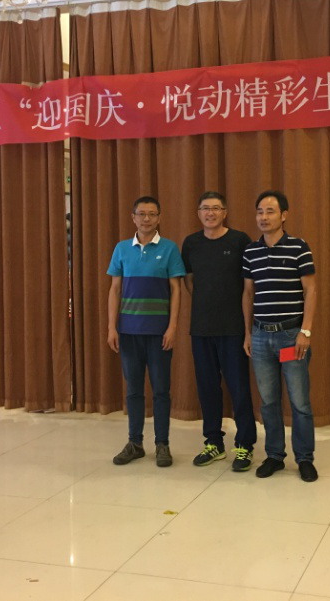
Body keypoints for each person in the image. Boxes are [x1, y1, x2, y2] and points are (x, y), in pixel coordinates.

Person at [242, 190, 319, 482]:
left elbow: (311, 290)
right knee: (268, 402)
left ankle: (305, 458)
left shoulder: (299, 247)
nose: (264, 217)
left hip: (290, 337)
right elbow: (248, 294)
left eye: (270, 211)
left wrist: (305, 331)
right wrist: (248, 333)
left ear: (284, 215)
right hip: (261, 338)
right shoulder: (250, 251)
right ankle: (274, 455)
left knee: (299, 401)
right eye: (260, 211)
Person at [107, 196, 185, 467]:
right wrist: (112, 327)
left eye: (152, 214)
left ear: (159, 218)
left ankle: (162, 444)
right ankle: (135, 442)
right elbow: (115, 289)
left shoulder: (170, 248)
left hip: (159, 332)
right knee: (134, 390)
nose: (146, 219)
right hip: (129, 332)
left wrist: (172, 326)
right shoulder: (121, 249)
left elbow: (176, 290)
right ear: (133, 218)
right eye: (141, 214)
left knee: (161, 390)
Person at [181, 192, 257, 471]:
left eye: (215, 208)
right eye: (205, 208)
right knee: (207, 389)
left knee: (239, 388)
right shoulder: (191, 243)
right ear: (198, 213)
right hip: (201, 328)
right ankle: (213, 442)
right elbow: (190, 282)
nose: (210, 213)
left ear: (225, 212)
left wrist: (246, 329)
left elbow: (249, 286)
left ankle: (245, 445)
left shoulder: (240, 241)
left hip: (233, 328)